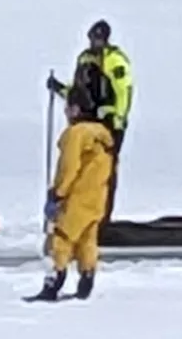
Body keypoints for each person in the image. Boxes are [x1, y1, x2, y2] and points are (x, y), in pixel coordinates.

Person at [27, 83, 115, 302]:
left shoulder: (76, 134)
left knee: (60, 240)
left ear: (76, 109)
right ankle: (86, 280)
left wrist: (58, 193)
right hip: (96, 198)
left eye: (68, 108)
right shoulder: (102, 135)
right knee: (87, 240)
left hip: (76, 198)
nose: (66, 112)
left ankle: (53, 283)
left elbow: (69, 167)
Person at [46, 19, 133, 220]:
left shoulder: (115, 61)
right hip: (85, 122)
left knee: (103, 172)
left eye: (99, 38)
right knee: (79, 169)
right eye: (93, 38)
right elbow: (78, 91)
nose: (95, 42)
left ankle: (101, 219)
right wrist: (60, 89)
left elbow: (123, 91)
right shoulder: (84, 59)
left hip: (107, 124)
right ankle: (78, 216)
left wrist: (117, 116)